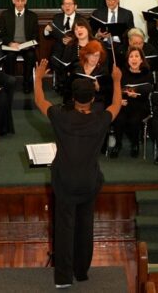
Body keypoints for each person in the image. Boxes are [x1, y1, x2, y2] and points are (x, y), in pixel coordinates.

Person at [33, 58, 122, 289]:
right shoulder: (100, 119)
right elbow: (116, 105)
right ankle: (81, 272)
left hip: (64, 181)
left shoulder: (61, 116)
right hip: (89, 181)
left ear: (73, 99)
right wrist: (117, 80)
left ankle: (63, 279)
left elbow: (39, 100)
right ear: (92, 99)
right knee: (85, 226)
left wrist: (38, 77)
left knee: (64, 229)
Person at [111, 46, 154, 158]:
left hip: (140, 104)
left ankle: (135, 144)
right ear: (127, 59)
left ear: (141, 59)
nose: (134, 59)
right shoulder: (122, 72)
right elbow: (115, 89)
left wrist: (137, 94)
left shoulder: (147, 73)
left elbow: (149, 89)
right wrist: (119, 100)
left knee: (134, 120)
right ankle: (118, 144)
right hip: (124, 103)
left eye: (136, 56)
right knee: (119, 119)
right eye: (131, 56)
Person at [0, 0, 39, 92]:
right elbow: (2, 34)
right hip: (11, 45)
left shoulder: (32, 16)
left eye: (22, 0)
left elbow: (35, 35)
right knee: (10, 56)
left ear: (25, 1)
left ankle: (27, 83)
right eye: (17, 0)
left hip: (26, 46)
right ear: (13, 1)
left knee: (31, 56)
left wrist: (28, 44)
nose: (20, 3)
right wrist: (10, 43)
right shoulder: (5, 15)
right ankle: (10, 83)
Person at [46, 0, 83, 64]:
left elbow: (85, 37)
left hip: (75, 49)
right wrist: (47, 30)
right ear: (62, 7)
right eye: (65, 4)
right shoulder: (57, 18)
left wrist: (73, 40)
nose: (67, 6)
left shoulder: (81, 19)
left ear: (75, 7)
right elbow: (48, 36)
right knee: (54, 59)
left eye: (70, 4)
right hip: (59, 50)